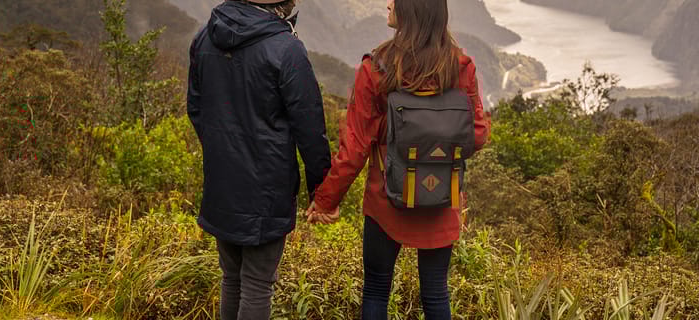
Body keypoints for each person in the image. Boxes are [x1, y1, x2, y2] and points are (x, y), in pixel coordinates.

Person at [306, 0, 491, 318]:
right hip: (440, 196)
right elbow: (476, 136)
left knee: (376, 289)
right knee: (436, 293)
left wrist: (326, 201)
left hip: (386, 199)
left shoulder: (376, 68)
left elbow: (354, 148)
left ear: (412, 9)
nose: (387, 3)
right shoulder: (460, 67)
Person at [186, 0, 332, 319]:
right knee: (256, 285)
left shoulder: (205, 37)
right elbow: (309, 126)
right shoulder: (286, 49)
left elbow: (196, 108)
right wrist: (322, 191)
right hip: (267, 186)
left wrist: (221, 150)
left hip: (221, 181)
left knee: (231, 279)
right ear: (285, 6)